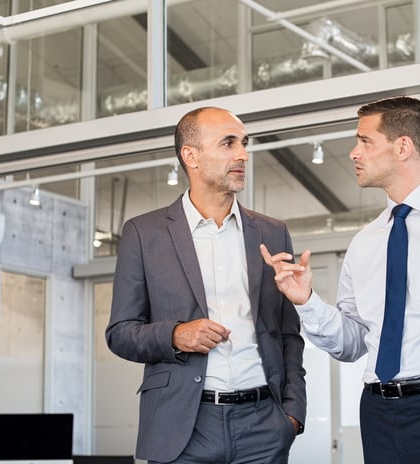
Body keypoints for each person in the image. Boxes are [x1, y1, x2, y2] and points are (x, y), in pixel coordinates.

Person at [261, 96, 420, 464]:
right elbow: (353, 343)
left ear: (402, 146)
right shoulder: (366, 242)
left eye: (365, 141)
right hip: (377, 413)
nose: (354, 153)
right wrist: (306, 300)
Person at [106, 106, 306, 464]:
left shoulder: (273, 232)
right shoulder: (144, 233)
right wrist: (175, 335)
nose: (243, 154)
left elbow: (289, 334)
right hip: (182, 429)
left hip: (264, 425)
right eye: (228, 143)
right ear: (191, 156)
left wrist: (291, 414)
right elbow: (120, 332)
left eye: (244, 143)